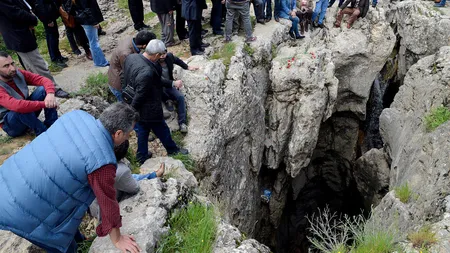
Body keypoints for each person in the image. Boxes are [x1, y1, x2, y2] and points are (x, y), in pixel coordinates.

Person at [0, 102, 141, 253]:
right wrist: (118, 239)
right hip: (21, 208)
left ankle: (79, 242)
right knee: (60, 247)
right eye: (128, 134)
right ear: (118, 133)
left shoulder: (76, 116)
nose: (127, 138)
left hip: (8, 179)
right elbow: (107, 201)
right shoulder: (102, 161)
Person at [123, 39, 189, 164]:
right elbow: (140, 95)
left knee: (143, 130)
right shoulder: (147, 72)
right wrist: (130, 112)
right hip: (149, 109)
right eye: (160, 56)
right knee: (162, 129)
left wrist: (172, 83)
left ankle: (141, 156)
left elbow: (127, 77)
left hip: (132, 100)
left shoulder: (132, 57)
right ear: (157, 55)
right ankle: (173, 150)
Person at [0, 0, 70, 98]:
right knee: (37, 64)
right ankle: (53, 89)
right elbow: (15, 13)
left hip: (20, 33)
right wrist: (33, 19)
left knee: (30, 65)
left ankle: (41, 87)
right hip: (19, 35)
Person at [89, 140, 165, 220]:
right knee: (130, 179)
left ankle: (151, 175)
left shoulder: (96, 157)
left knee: (130, 177)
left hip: (93, 203)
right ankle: (152, 175)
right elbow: (134, 188)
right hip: (102, 211)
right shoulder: (120, 170)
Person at [0, 51, 58, 137]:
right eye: (6, 66)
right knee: (20, 108)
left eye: (12, 63)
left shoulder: (16, 73)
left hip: (26, 112)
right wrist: (45, 104)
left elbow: (43, 80)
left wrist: (50, 94)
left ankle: (53, 124)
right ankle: (43, 132)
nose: (12, 68)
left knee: (43, 90)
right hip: (12, 125)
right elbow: (17, 106)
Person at [108, 30, 156, 102]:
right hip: (119, 83)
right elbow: (128, 73)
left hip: (119, 73)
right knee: (126, 107)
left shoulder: (133, 40)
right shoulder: (126, 54)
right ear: (144, 46)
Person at [159, 51, 199, 133]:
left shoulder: (169, 57)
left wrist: (187, 67)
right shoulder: (152, 63)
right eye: (160, 54)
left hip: (169, 85)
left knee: (180, 97)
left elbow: (177, 60)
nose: (162, 56)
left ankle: (182, 123)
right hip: (158, 87)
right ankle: (167, 101)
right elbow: (158, 80)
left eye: (164, 53)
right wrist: (173, 83)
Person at [73, 0, 109, 67]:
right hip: (88, 21)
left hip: (85, 20)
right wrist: (93, 22)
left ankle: (99, 61)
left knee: (93, 42)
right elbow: (86, 9)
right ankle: (101, 62)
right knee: (94, 43)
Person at [34, 0, 69, 68]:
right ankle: (55, 59)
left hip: (51, 16)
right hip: (48, 18)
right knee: (52, 38)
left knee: (55, 36)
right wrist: (48, 20)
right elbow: (40, 8)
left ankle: (58, 56)